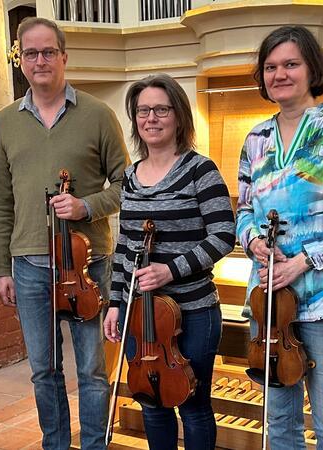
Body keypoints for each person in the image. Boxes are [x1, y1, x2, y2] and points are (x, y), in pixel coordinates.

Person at [0, 17, 129, 450]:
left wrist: (87, 205)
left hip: (89, 262)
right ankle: (55, 444)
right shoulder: (6, 121)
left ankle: (94, 445)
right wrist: (0, 267)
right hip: (28, 264)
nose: (40, 60)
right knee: (43, 368)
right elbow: (1, 200)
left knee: (90, 368)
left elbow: (129, 186)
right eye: (30, 53)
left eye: (48, 51)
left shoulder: (98, 115)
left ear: (64, 57)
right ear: (20, 60)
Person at [236, 26, 323, 449]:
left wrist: (305, 260)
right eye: (271, 67)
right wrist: (254, 242)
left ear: (311, 68)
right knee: (278, 418)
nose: (280, 74)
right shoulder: (256, 138)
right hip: (267, 301)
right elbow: (244, 210)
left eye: (290, 64)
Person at [103, 73, 236, 450]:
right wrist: (116, 303)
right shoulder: (129, 177)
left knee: (192, 405)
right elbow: (125, 246)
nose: (151, 118)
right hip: (139, 312)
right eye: (143, 110)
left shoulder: (200, 170)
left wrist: (169, 269)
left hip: (192, 312)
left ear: (178, 115)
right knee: (151, 403)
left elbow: (224, 235)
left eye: (161, 109)